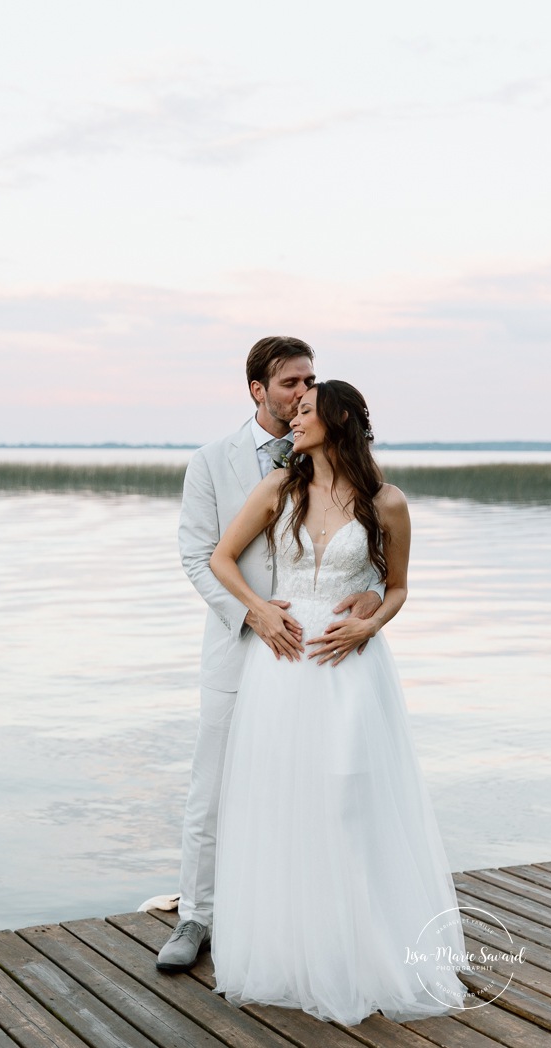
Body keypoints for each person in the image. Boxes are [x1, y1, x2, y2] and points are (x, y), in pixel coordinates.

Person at [209, 380, 466, 1024]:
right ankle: (294, 948)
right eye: (290, 409)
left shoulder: (388, 502)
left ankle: (365, 949)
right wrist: (260, 610)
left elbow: (400, 587)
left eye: (305, 410)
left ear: (341, 418)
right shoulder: (277, 490)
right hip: (286, 664)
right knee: (288, 800)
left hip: (350, 664)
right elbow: (221, 559)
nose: (292, 417)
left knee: (349, 796)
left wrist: (372, 620)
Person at [156, 339, 384, 972]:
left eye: (309, 381)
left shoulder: (332, 458)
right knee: (213, 789)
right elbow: (198, 556)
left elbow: (371, 546)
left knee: (314, 786)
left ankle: (293, 913)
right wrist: (251, 612)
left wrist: (368, 593)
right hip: (239, 648)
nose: (301, 393)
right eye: (290, 382)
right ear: (257, 388)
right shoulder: (210, 462)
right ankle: (196, 917)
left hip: (320, 655)